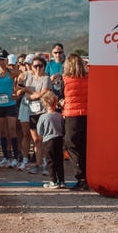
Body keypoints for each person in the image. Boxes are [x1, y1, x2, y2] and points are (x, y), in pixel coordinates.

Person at [62, 53, 90, 190]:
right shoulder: (89, 78)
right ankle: (88, 176)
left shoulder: (66, 79)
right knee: (85, 145)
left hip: (72, 115)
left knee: (71, 145)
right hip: (88, 114)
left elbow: (60, 95)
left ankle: (81, 177)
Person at [36, 90, 65, 189]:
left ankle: (53, 181)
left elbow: (40, 131)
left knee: (50, 161)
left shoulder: (43, 117)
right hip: (59, 139)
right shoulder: (60, 116)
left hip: (48, 141)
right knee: (59, 161)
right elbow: (63, 127)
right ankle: (62, 180)